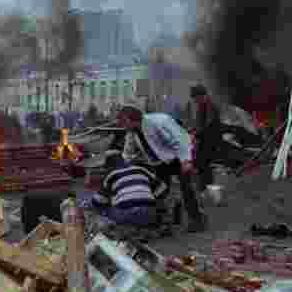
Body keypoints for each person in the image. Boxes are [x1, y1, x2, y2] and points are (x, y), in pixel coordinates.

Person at [116, 104, 207, 232]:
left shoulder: (157, 122)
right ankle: (162, 223)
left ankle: (197, 220)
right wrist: (124, 166)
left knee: (186, 189)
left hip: (178, 157)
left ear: (130, 120)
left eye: (123, 122)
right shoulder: (133, 131)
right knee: (160, 191)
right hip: (160, 161)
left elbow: (179, 140)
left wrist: (186, 160)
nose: (122, 126)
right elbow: (128, 150)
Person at [91, 152, 170, 227]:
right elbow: (162, 188)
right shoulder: (141, 169)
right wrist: (151, 198)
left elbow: (97, 201)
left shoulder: (111, 174)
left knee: (105, 209)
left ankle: (126, 224)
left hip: (126, 216)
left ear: (108, 165)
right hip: (150, 215)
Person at [190, 85, 223, 190]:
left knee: (204, 165)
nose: (195, 101)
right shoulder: (202, 106)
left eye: (195, 98)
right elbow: (200, 124)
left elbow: (209, 125)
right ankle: (205, 188)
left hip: (210, 141)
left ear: (201, 96)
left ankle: (207, 188)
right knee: (201, 165)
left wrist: (196, 134)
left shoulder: (210, 106)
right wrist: (193, 131)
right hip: (204, 141)